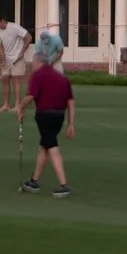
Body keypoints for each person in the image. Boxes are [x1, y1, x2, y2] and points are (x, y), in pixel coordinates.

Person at [18, 32, 75, 199]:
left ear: (38, 62)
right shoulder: (62, 78)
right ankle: (34, 181)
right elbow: (71, 102)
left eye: (33, 63)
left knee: (52, 147)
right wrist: (71, 123)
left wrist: (19, 107)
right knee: (44, 145)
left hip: (45, 116)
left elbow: (31, 96)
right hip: (59, 117)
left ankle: (64, 185)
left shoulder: (37, 75)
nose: (31, 66)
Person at [0, 16, 32, 112]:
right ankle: (6, 105)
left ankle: (18, 105)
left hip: (17, 58)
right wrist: (2, 58)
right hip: (7, 58)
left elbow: (29, 37)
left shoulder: (14, 27)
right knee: (4, 79)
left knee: (16, 80)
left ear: (3, 21)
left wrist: (22, 52)